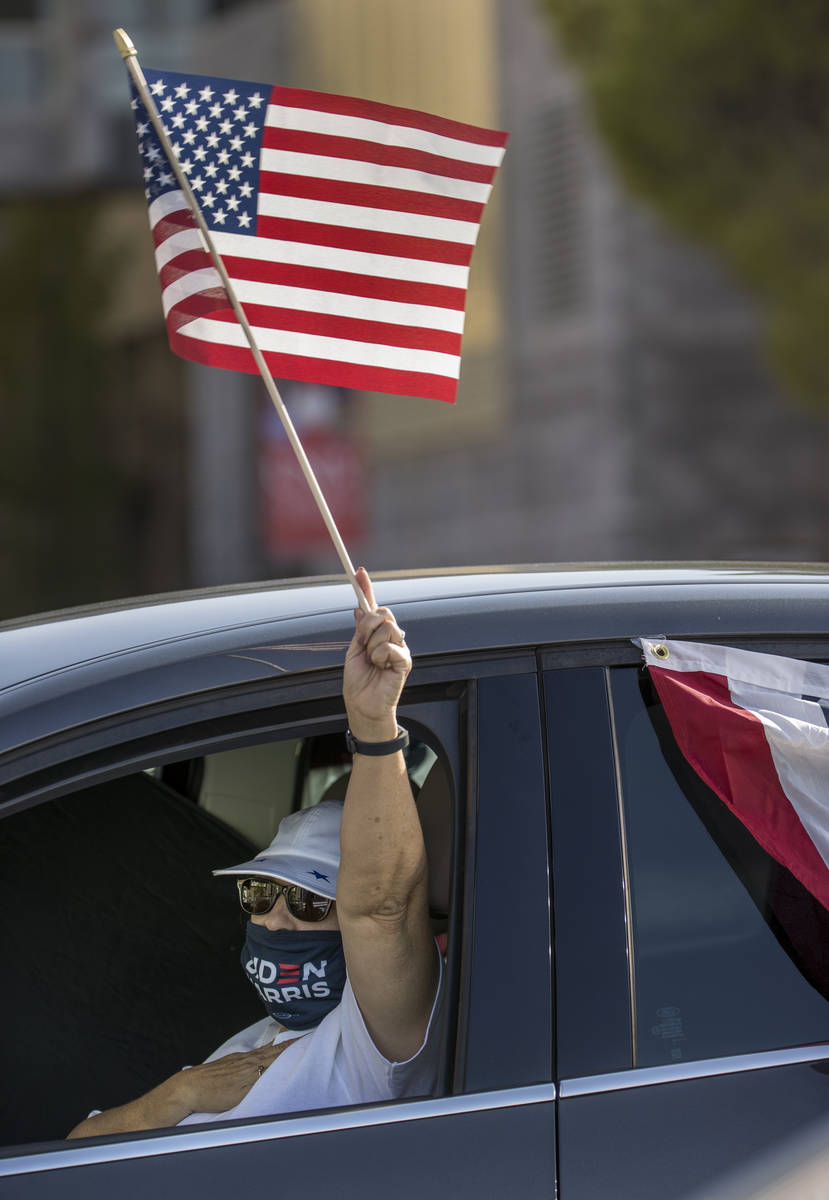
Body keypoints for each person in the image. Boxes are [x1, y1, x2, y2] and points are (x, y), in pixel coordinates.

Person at [67, 568, 442, 1137]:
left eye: (310, 903)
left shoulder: (375, 1044)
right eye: (260, 893)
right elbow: (75, 1154)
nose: (275, 918)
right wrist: (179, 1093)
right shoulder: (254, 1038)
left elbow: (382, 908)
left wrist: (372, 724)